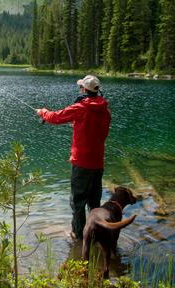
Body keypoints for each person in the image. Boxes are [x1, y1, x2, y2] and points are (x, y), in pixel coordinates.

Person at [36, 75, 111, 240]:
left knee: (77, 203)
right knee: (94, 202)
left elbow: (55, 117)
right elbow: (101, 133)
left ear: (84, 90)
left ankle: (78, 236)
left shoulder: (80, 108)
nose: (80, 90)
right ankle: (95, 234)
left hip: (81, 163)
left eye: (80, 88)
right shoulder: (105, 110)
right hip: (97, 163)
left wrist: (42, 112)